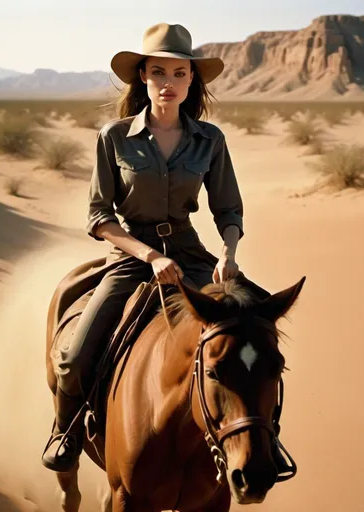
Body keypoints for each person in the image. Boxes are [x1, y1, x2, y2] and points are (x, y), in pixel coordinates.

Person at [42, 22, 252, 473]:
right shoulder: (113, 136)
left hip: (192, 255)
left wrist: (229, 256)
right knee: (75, 356)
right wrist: (150, 256)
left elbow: (229, 210)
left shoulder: (210, 140)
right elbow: (99, 217)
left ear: (192, 79)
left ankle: (258, 436)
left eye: (179, 74)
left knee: (254, 334)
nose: (168, 83)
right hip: (131, 258)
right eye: (158, 72)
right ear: (142, 77)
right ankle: (66, 431)